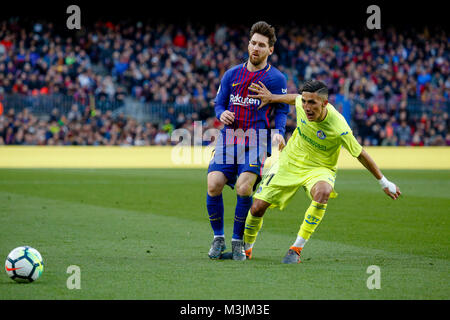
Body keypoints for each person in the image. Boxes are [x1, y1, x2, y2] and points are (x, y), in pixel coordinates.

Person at [243, 80, 402, 264]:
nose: (306, 107)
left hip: (320, 168)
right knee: (257, 207)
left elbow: (360, 154)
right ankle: (247, 249)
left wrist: (384, 182)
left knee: (324, 191)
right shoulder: (301, 104)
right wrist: (272, 98)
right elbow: (293, 98)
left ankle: (296, 249)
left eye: (312, 103)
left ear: (325, 103)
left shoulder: (339, 126)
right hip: (290, 162)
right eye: (305, 101)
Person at [206, 21, 289, 260]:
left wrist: (279, 130)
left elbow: (282, 109)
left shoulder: (276, 79)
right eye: (253, 43)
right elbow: (219, 103)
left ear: (270, 50)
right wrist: (221, 113)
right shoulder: (232, 74)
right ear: (248, 44)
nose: (256, 48)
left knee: (244, 187)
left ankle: (237, 242)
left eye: (262, 45)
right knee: (213, 184)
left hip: (257, 140)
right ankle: (218, 239)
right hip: (229, 138)